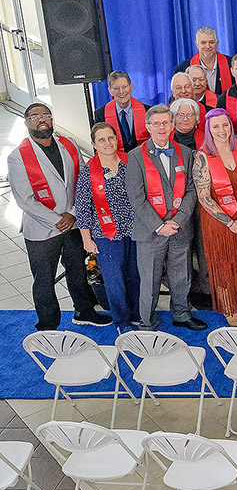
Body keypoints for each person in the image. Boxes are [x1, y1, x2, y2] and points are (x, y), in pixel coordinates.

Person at [9, 104, 108, 330]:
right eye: (34, 117)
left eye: (46, 115)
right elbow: (24, 199)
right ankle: (47, 323)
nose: (41, 120)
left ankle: (84, 311)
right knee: (44, 279)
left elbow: (83, 181)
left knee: (77, 271)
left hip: (72, 223)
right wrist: (57, 220)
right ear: (27, 123)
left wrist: (72, 214)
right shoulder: (18, 157)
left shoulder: (69, 145)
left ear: (52, 119)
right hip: (42, 230)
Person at [125, 105, 204, 331]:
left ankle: (181, 314)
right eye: (156, 123)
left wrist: (177, 221)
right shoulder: (134, 157)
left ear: (172, 125)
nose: (161, 127)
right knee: (149, 281)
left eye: (165, 123)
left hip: (179, 228)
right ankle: (147, 323)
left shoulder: (186, 153)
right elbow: (136, 198)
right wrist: (159, 226)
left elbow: (191, 191)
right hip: (150, 232)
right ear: (148, 126)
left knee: (182, 277)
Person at [192, 108, 237, 327]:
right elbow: (204, 197)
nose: (221, 130)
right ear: (208, 130)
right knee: (223, 264)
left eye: (225, 125)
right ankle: (229, 306)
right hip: (220, 221)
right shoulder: (202, 156)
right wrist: (230, 222)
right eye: (216, 127)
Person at [75, 122, 139, 332]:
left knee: (136, 274)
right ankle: (122, 320)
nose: (108, 143)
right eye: (101, 139)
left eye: (111, 137)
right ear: (94, 144)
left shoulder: (130, 161)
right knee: (115, 280)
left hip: (134, 230)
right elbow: (83, 207)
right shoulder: (88, 172)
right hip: (105, 234)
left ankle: (138, 314)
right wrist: (86, 238)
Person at [100, 71, 148, 154]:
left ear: (131, 87)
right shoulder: (101, 114)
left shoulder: (147, 111)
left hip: (143, 160)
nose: (121, 91)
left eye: (124, 87)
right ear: (110, 91)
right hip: (115, 161)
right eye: (116, 88)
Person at [175, 26, 231, 94]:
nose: (207, 46)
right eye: (203, 43)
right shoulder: (183, 68)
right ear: (197, 44)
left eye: (211, 42)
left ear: (217, 43)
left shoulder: (231, 64)